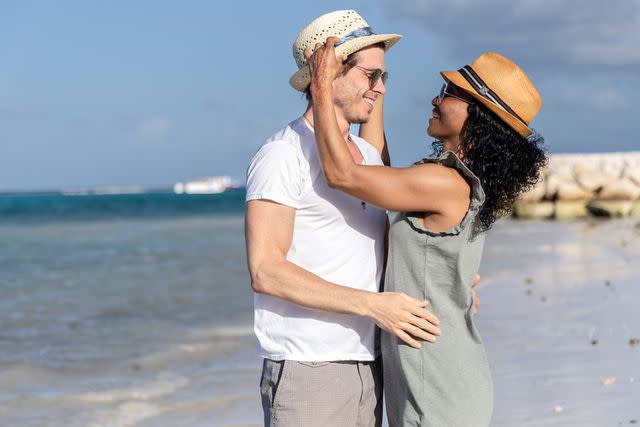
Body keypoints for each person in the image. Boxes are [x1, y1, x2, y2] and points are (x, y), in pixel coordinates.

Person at [306, 41, 548, 426]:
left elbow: (342, 175)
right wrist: (377, 84)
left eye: (448, 95)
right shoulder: (453, 180)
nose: (435, 101)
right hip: (440, 374)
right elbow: (378, 172)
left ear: (478, 117)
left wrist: (320, 86)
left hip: (436, 382)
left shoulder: (444, 182)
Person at [244, 10, 442, 427]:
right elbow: (266, 271)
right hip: (308, 367)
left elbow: (389, 245)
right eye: (372, 76)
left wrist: (448, 279)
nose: (381, 88)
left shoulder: (367, 158)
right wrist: (374, 306)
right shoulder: (283, 154)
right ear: (330, 74)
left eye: (385, 77)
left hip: (368, 363)